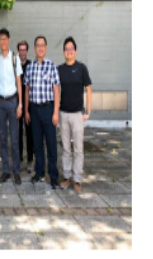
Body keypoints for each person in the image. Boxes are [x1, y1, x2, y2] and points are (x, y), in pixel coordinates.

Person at [24, 35, 61, 189]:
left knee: (51, 144)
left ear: (45, 48)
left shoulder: (51, 66)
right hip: (34, 109)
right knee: (37, 144)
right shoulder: (30, 67)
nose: (40, 48)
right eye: (37, 45)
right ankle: (39, 172)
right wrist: (26, 110)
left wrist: (56, 112)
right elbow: (27, 90)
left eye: (42, 45)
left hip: (48, 109)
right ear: (34, 48)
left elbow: (56, 89)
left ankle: (53, 175)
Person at [57, 37, 93, 192]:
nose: (69, 51)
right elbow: (56, 90)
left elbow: (89, 89)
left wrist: (88, 110)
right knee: (66, 148)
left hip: (78, 114)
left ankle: (77, 179)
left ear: (75, 51)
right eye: (66, 49)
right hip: (63, 114)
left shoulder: (82, 68)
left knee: (78, 149)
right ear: (64, 52)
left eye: (71, 49)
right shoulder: (60, 69)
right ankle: (66, 177)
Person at [0, 28, 24, 185]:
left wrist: (20, 105)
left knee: (14, 139)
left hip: (12, 103)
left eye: (5, 38)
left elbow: (19, 82)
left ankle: (16, 171)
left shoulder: (15, 59)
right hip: (0, 103)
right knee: (3, 139)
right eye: (0, 39)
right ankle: (6, 170)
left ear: (9, 40)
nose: (3, 41)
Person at [17, 40, 34, 174]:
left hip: (28, 106)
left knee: (30, 134)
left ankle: (29, 160)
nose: (22, 52)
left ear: (27, 51)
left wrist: (28, 108)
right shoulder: (15, 65)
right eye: (20, 50)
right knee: (17, 134)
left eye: (24, 50)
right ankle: (19, 160)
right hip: (17, 105)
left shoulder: (31, 66)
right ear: (18, 51)